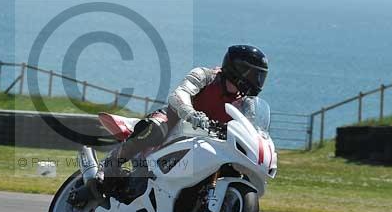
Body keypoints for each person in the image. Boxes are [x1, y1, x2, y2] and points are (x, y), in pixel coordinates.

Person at [97, 45, 268, 181]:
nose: (257, 81)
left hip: (208, 141)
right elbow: (180, 94)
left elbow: (250, 127)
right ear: (238, 69)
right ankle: (108, 166)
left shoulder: (246, 103)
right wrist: (191, 113)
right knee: (157, 128)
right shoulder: (206, 75)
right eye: (254, 75)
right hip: (176, 124)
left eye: (261, 76)